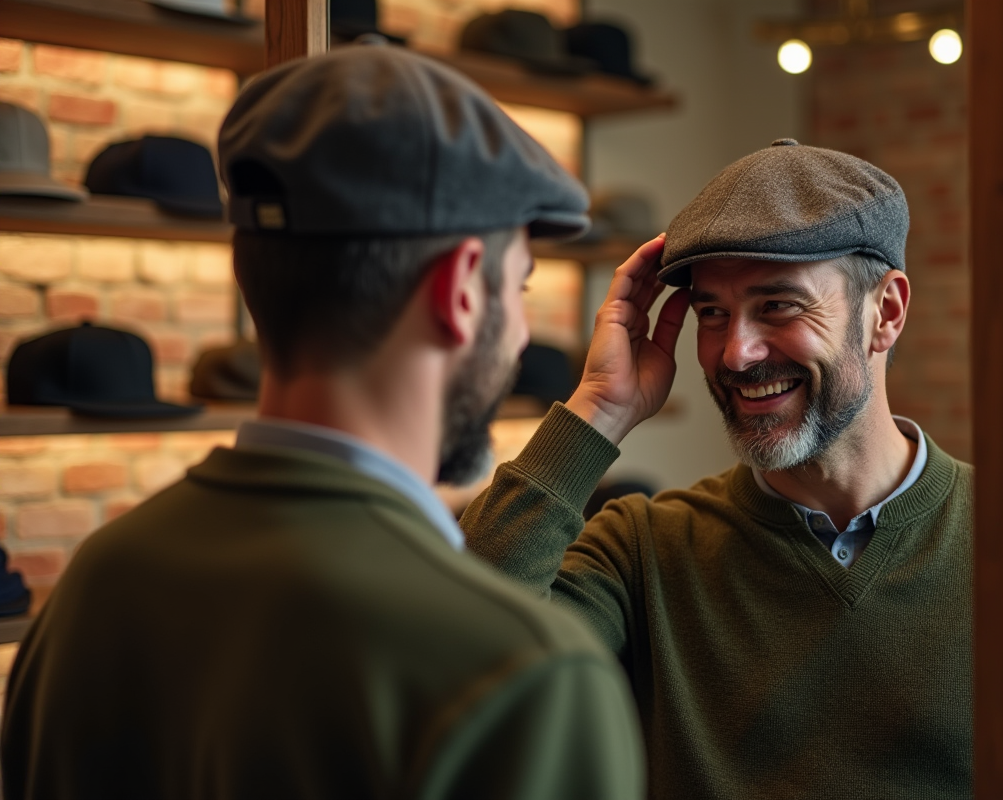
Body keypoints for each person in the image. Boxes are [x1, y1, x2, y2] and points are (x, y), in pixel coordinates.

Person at [1, 45, 645, 800]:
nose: (520, 335)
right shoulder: (524, 672)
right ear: (462, 288)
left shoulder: (98, 583)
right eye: (521, 285)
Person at [462, 138, 973, 799]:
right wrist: (598, 410)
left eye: (778, 305)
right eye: (712, 314)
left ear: (887, 313)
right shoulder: (645, 552)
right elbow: (467, 655)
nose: (736, 354)